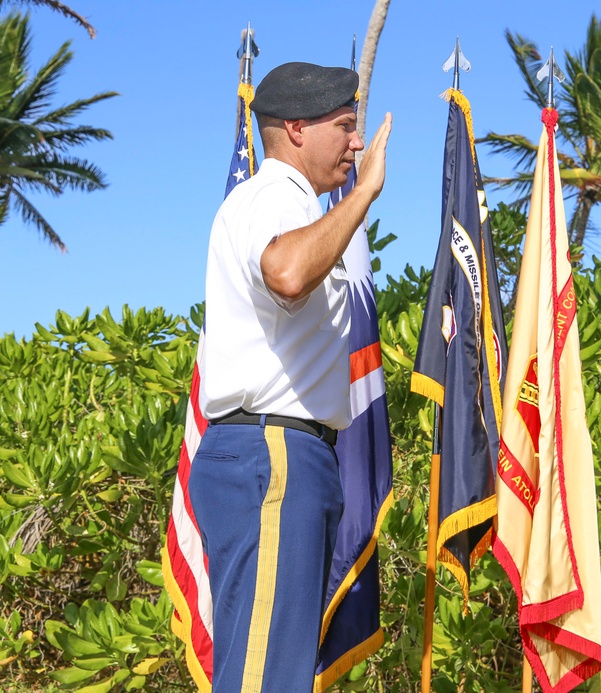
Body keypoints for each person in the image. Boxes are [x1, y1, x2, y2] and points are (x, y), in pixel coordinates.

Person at [187, 62, 391, 693]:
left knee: (272, 671)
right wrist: (363, 195)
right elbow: (287, 272)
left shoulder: (289, 203)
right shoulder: (277, 197)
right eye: (345, 127)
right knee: (265, 681)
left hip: (282, 456)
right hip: (272, 453)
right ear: (297, 129)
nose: (356, 145)